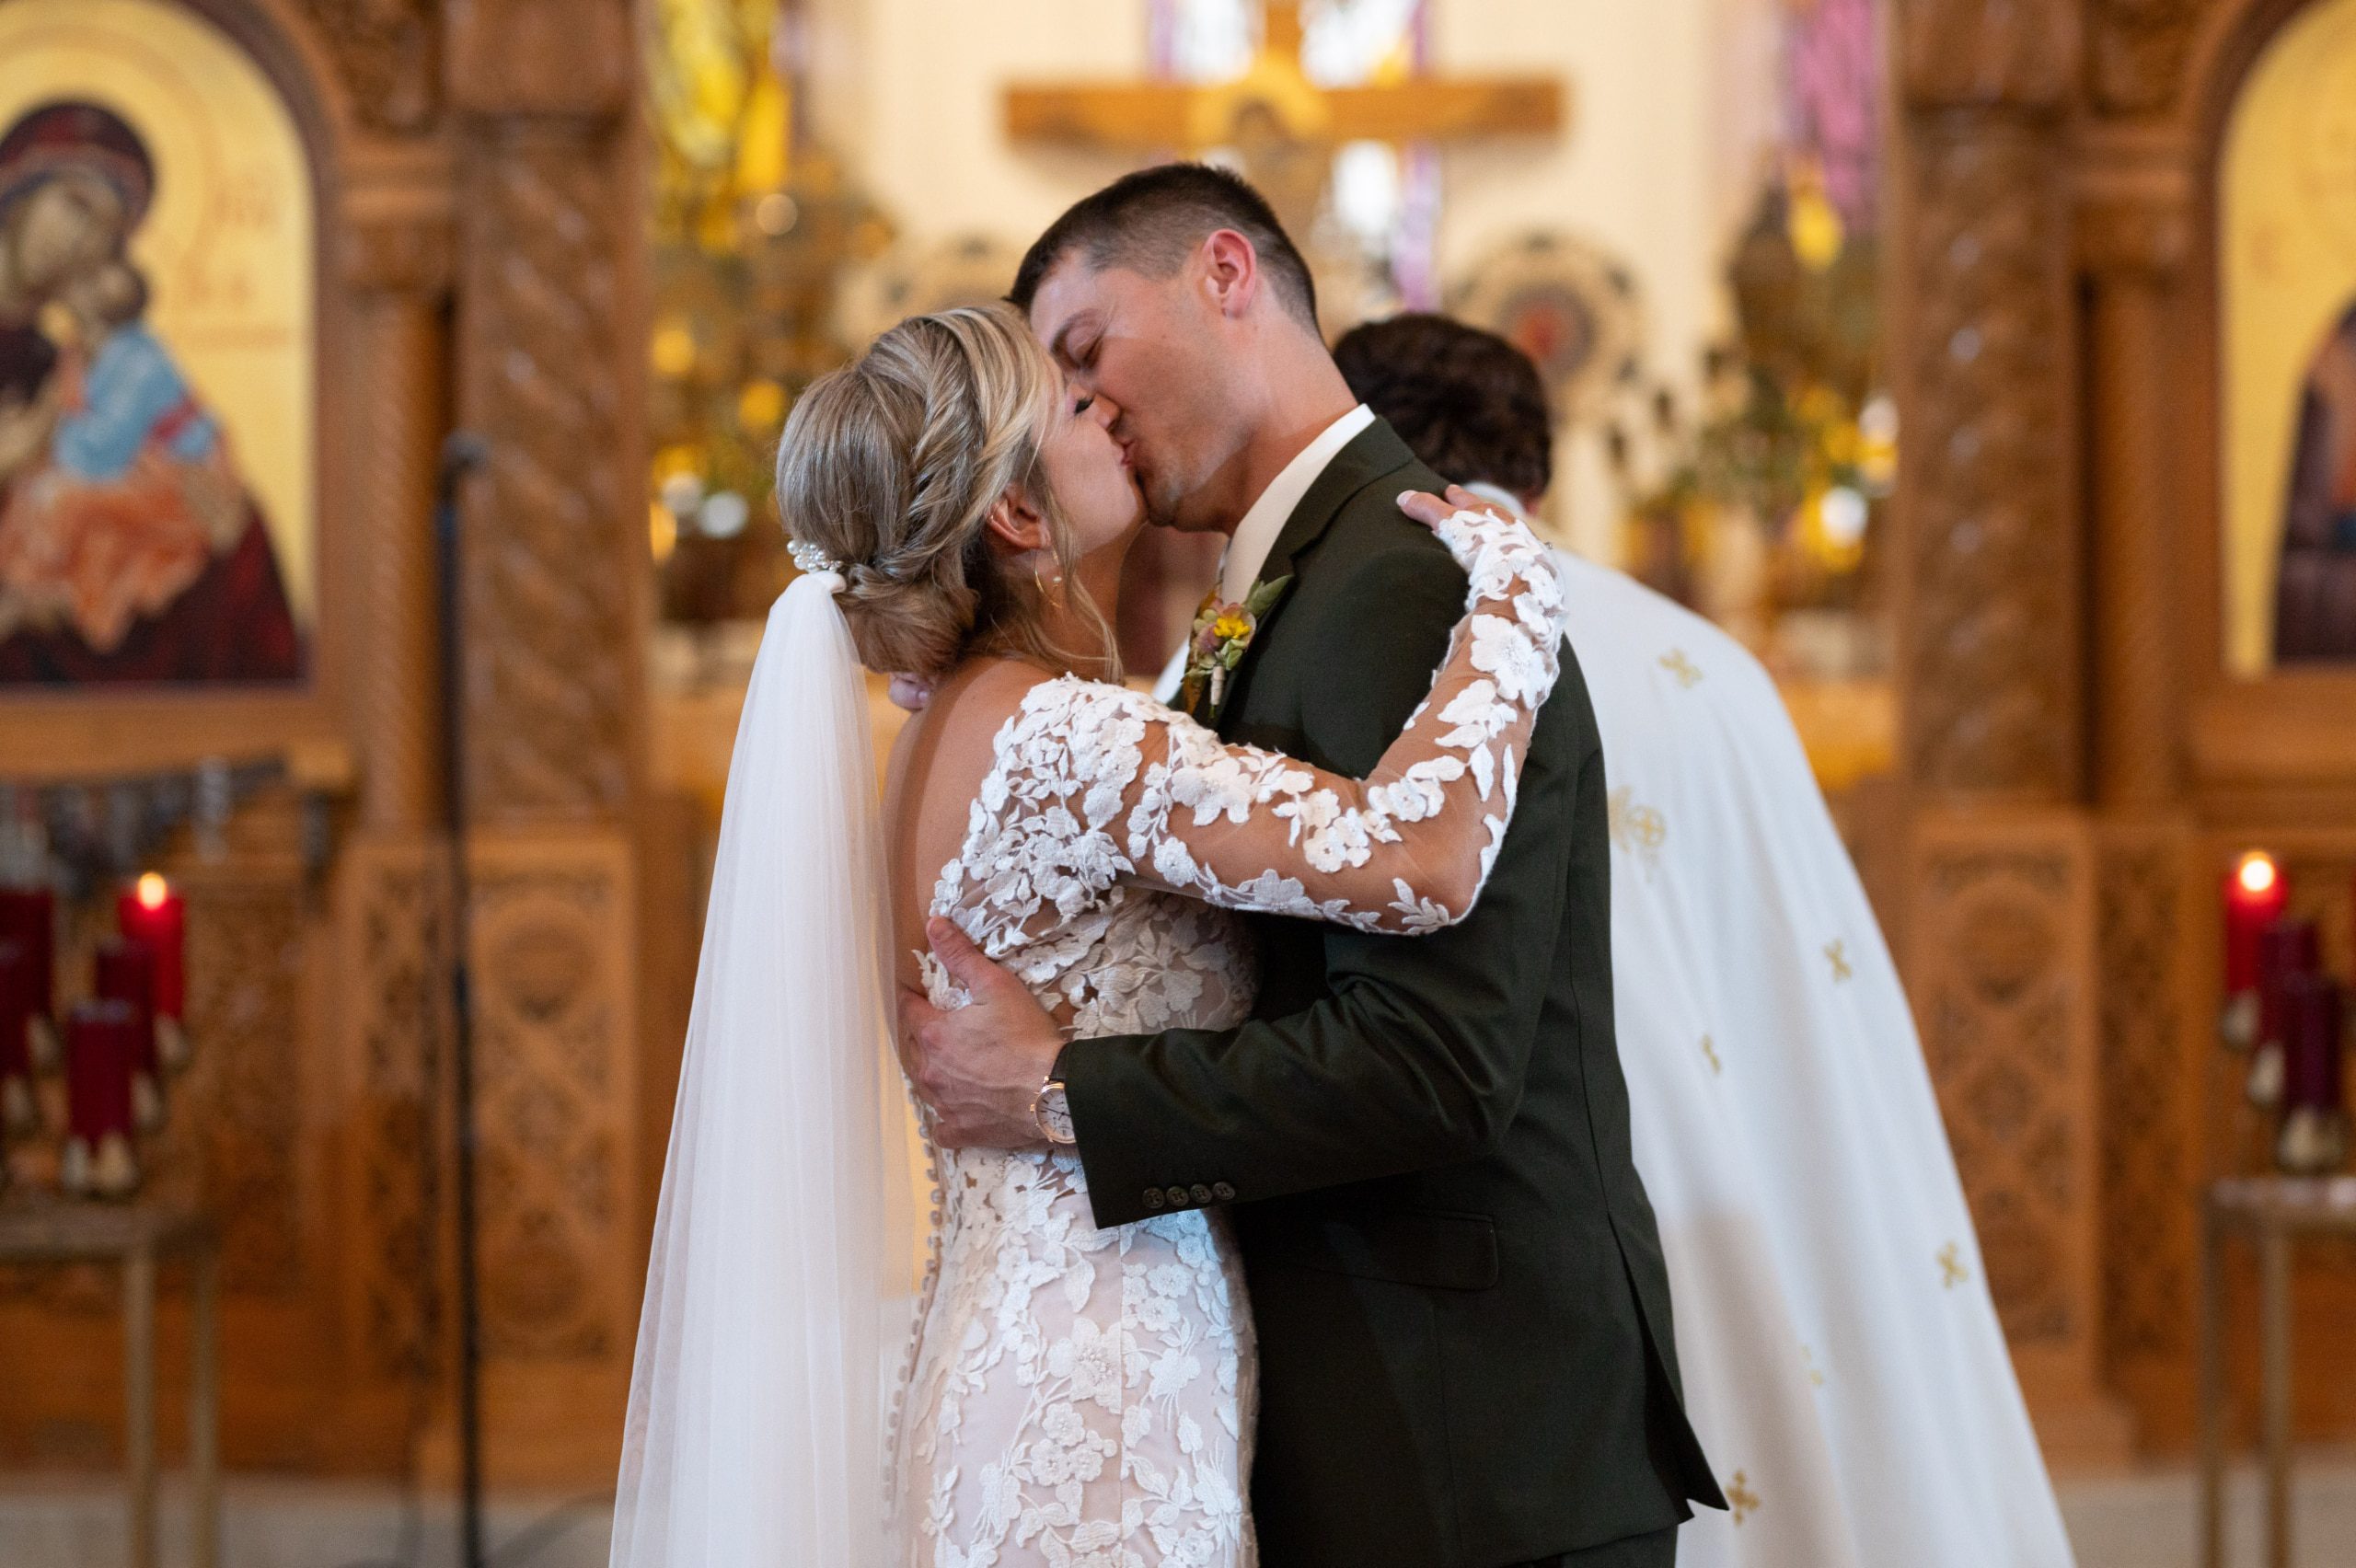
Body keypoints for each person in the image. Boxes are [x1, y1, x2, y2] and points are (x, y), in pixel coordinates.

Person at [610, 300, 1573, 1565]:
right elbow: (1421, 862)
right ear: (1015, 515)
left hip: (1022, 1338)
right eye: (1072, 402)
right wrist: (1514, 600)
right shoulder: (1059, 737)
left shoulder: (956, 724)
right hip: (1101, 1382)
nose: (1106, 407)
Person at [900, 165, 1723, 1568]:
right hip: (1359, 1418)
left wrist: (1063, 1090)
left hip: (1466, 1443)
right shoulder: (1275, 588)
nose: (1087, 410)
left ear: (1226, 274)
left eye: (1090, 354)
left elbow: (1433, 1057)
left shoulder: (1402, 573)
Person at [1332, 312, 2078, 1568]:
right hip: (1744, 1197)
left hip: (1521, 1229)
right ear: (1544, 466)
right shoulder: (1708, 660)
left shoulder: (1391, 646)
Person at [0, 98, 301, 684]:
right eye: (76, 206)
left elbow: (115, 456)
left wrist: (214, 515)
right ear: (16, 193)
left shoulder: (62, 364)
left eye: (110, 234)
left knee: (238, 535)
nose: (86, 241)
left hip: (62, 611)